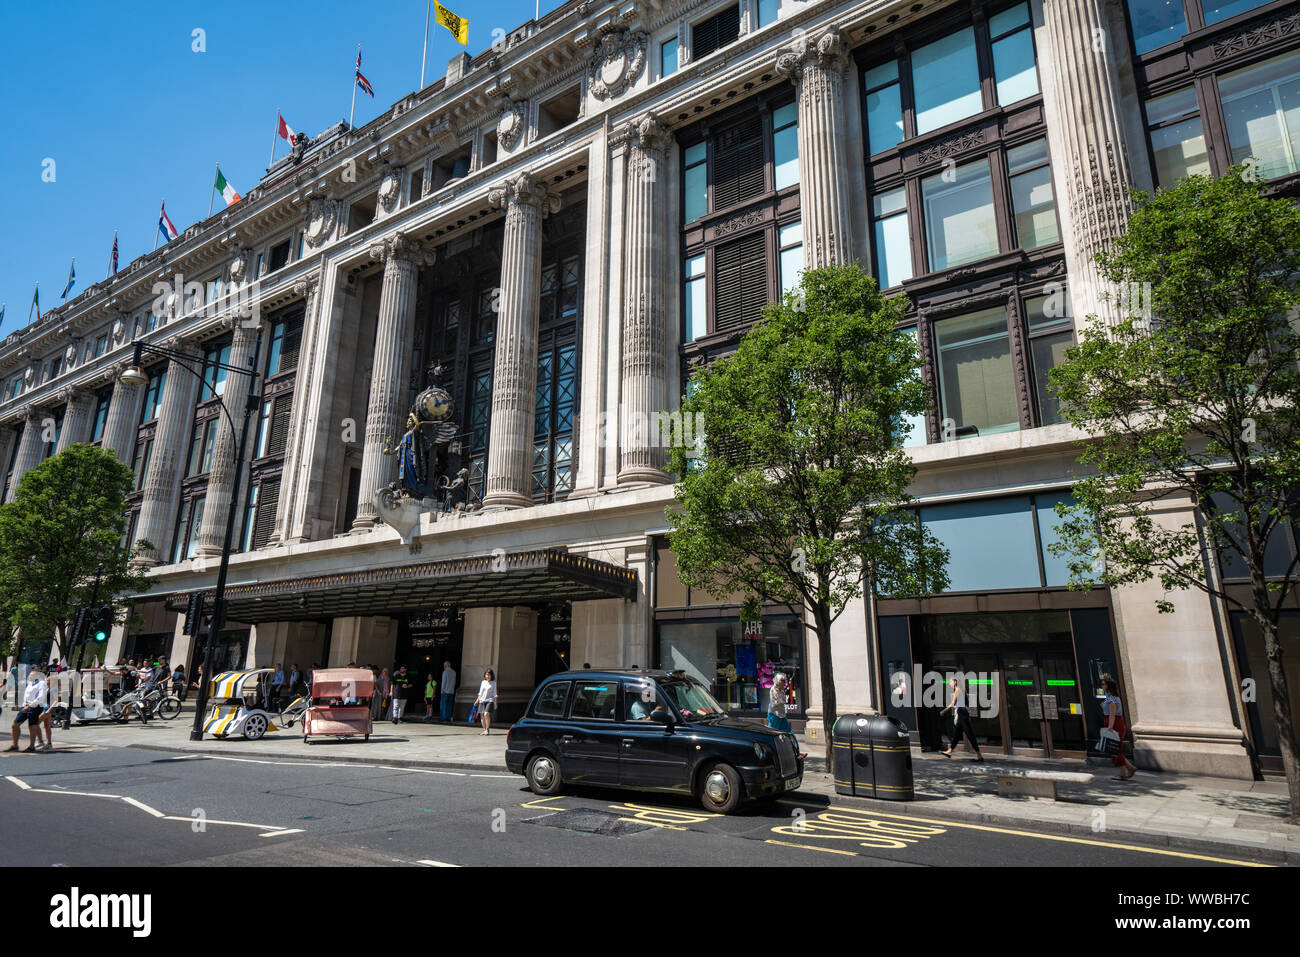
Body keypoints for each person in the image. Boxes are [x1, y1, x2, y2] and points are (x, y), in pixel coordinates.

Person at [1101, 677, 1138, 781]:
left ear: (1108, 686)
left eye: (1103, 684)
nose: (1102, 686)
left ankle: (1124, 773)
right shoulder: (1112, 698)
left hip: (1114, 724)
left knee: (1115, 749)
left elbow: (1112, 715)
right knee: (1115, 749)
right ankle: (1129, 768)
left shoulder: (1112, 699)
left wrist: (1110, 729)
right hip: (1115, 723)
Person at [940, 676, 983, 761]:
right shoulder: (962, 690)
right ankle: (950, 751)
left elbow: (953, 703)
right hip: (963, 713)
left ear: (955, 682)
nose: (950, 683)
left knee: (970, 735)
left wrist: (943, 711)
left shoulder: (958, 690)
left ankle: (979, 755)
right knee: (956, 735)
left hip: (962, 714)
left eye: (951, 682)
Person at [7, 669, 48, 752]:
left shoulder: (42, 684)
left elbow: (40, 697)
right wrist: (24, 705)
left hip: (35, 707)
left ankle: (31, 746)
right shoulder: (29, 684)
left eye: (32, 675)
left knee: (32, 726)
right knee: (15, 725)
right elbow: (26, 695)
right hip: (25, 706)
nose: (30, 676)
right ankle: (15, 745)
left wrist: (29, 706)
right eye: (30, 675)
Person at [475, 669, 497, 736]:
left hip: (489, 700)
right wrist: (477, 700)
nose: (488, 676)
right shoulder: (483, 682)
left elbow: (495, 694)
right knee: (482, 716)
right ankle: (484, 730)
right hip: (482, 700)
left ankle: (487, 729)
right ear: (485, 675)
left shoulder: (493, 683)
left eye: (489, 675)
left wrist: (495, 703)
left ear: (491, 675)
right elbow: (480, 693)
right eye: (487, 674)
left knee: (486, 714)